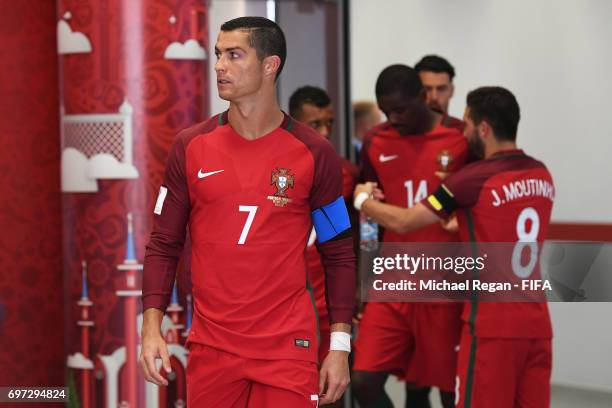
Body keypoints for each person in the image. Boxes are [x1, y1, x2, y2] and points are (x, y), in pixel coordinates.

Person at [139, 17, 355, 407]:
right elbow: (163, 243)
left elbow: (338, 251)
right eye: (219, 54)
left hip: (288, 346)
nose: (220, 65)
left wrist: (339, 346)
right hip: (212, 345)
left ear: (270, 65)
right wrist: (150, 328)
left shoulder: (314, 152)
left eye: (234, 55)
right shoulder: (190, 146)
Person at [354, 86, 554, 408]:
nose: (465, 131)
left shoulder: (470, 180)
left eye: (468, 123)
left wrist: (363, 200)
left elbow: (405, 221)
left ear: (483, 128)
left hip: (491, 325)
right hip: (537, 324)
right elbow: (504, 220)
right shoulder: (541, 175)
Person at [352, 65, 468, 408]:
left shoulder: (460, 137)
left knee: (451, 392)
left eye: (400, 109)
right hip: (392, 285)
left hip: (445, 286)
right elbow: (369, 214)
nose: (394, 117)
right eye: (386, 111)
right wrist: (364, 280)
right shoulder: (376, 140)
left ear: (423, 98)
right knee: (362, 382)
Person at [415, 55, 464, 132]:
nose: (434, 97)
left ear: (452, 90)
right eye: (427, 89)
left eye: (441, 89)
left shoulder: (464, 133)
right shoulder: (394, 133)